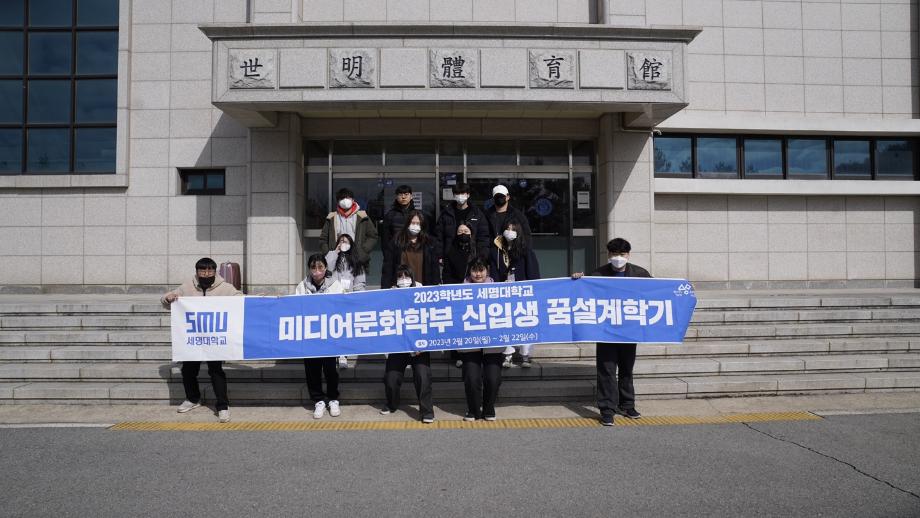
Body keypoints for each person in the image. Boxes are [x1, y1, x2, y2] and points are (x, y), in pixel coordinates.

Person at [572, 237, 651, 426]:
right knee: (606, 370)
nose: (618, 258)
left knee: (626, 369)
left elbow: (657, 292)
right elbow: (584, 293)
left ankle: (627, 404)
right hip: (605, 331)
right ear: (608, 255)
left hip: (629, 330)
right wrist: (578, 280)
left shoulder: (640, 274)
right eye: (614, 254)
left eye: (622, 254)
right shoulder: (598, 274)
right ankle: (607, 409)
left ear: (628, 255)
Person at [161, 257, 242, 423]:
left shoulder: (225, 287)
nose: (206, 273)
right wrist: (169, 298)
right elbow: (167, 299)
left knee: (216, 370)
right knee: (188, 370)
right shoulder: (187, 286)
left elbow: (241, 299)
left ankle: (223, 406)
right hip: (193, 338)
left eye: (210, 270)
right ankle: (193, 399)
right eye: (202, 270)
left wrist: (259, 300)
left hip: (215, 337)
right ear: (197, 271)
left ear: (215, 271)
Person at [380, 265, 435, 424]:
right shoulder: (391, 294)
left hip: (419, 346)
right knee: (391, 378)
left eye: (406, 276)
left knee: (422, 376)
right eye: (400, 277)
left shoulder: (422, 294)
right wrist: (390, 296)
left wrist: (422, 344)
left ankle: (427, 411)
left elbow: (430, 319)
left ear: (412, 278)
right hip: (399, 346)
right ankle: (392, 404)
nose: (403, 280)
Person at [294, 253, 344, 419]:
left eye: (320, 267)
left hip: (329, 335)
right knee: (312, 369)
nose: (317, 271)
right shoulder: (302, 286)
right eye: (313, 267)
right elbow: (296, 307)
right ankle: (318, 400)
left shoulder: (335, 285)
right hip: (310, 336)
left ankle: (333, 399)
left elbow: (341, 306)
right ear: (309, 269)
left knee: (330, 369)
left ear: (325, 268)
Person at [490, 220, 541, 368]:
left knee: (525, 323)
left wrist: (533, 290)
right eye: (507, 228)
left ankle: (525, 355)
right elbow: (494, 271)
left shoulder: (525, 250)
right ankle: (508, 355)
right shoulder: (497, 250)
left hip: (523, 294)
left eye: (513, 229)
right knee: (506, 324)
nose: (509, 232)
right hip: (503, 293)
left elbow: (533, 272)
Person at [459, 258, 505, 421]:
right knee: (471, 378)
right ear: (469, 271)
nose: (478, 274)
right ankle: (473, 409)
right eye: (474, 270)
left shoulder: (499, 290)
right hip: (470, 343)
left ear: (487, 270)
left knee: (493, 378)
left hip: (493, 343)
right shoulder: (458, 291)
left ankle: (488, 408)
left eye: (481, 270)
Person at [325, 234, 367, 369]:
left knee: (345, 328)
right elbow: (326, 268)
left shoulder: (357, 263)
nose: (344, 243)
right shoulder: (333, 258)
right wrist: (335, 252)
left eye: (346, 242)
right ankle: (334, 353)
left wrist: (358, 299)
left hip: (349, 300)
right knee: (334, 328)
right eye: (341, 241)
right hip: (333, 299)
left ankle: (343, 354)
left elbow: (360, 283)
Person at [319, 187, 378, 267]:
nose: (345, 200)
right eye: (342, 198)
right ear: (338, 202)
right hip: (336, 260)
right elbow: (323, 239)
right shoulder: (331, 217)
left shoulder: (362, 217)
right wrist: (329, 254)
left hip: (358, 260)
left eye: (347, 197)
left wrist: (363, 251)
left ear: (353, 200)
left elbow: (373, 236)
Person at [381, 210, 440, 289]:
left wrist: (436, 287)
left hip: (423, 288)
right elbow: (388, 268)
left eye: (418, 223)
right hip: (400, 287)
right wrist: (386, 288)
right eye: (413, 223)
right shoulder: (396, 242)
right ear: (407, 223)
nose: (415, 226)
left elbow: (435, 269)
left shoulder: (429, 243)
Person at [435, 183, 490, 260]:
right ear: (454, 196)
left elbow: (483, 237)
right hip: (450, 257)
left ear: (468, 195)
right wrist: (439, 256)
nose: (460, 196)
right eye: (457, 194)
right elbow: (439, 236)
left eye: (463, 193)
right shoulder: (446, 214)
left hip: (471, 257)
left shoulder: (477, 214)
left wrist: (481, 257)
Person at [380, 184, 416, 260]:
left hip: (414, 253)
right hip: (395, 255)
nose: (403, 197)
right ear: (396, 197)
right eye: (400, 194)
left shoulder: (417, 215)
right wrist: (387, 256)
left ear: (411, 196)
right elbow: (385, 239)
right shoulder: (390, 215)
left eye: (406, 194)